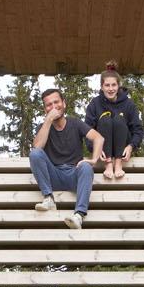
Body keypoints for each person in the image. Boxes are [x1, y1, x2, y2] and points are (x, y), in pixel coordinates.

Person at [29, 86, 103, 229]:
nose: (54, 107)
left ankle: (79, 215)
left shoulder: (75, 123)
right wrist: (48, 121)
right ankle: (48, 198)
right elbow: (37, 148)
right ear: (45, 109)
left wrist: (94, 159)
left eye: (56, 102)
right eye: (49, 105)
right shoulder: (44, 126)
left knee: (86, 167)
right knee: (35, 153)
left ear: (64, 103)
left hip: (74, 174)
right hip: (53, 176)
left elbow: (98, 138)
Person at [84, 61, 144, 180]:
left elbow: (138, 129)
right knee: (105, 119)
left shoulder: (129, 104)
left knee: (118, 118)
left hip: (122, 147)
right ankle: (108, 164)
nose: (111, 89)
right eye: (107, 85)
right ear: (102, 87)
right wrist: (95, 148)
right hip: (103, 147)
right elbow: (87, 130)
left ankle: (118, 164)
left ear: (119, 86)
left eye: (114, 85)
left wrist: (131, 146)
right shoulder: (94, 103)